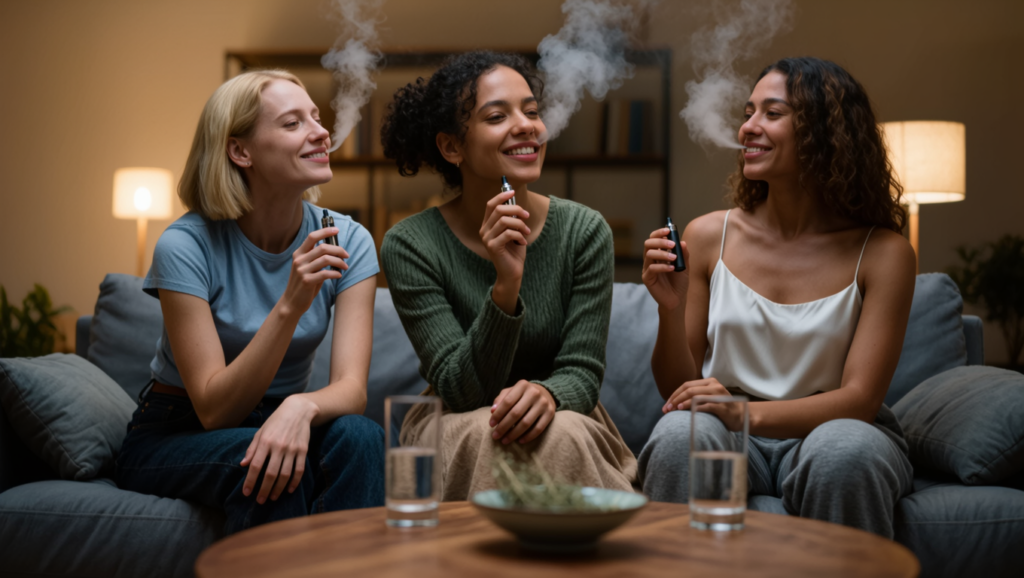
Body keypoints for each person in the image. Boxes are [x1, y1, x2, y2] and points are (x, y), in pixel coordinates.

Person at [637, 57, 916, 538]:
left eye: (772, 113)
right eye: (748, 113)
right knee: (680, 434)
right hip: (727, 431)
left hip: (830, 429)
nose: (748, 128)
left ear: (825, 133)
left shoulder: (884, 253)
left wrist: (744, 413)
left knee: (845, 451)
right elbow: (678, 389)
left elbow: (860, 401)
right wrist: (669, 309)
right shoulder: (707, 236)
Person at [116, 70, 385, 535]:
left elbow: (351, 390)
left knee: (362, 437)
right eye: (293, 123)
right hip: (179, 430)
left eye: (316, 118)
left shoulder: (349, 239)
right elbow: (215, 411)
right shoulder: (185, 245)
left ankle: (348, 567)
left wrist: (298, 407)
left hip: (284, 417)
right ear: (241, 152)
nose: (321, 132)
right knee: (266, 465)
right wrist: (290, 305)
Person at [378, 51, 636, 500]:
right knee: (489, 431)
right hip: (457, 417)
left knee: (560, 432)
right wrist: (506, 285)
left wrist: (547, 394)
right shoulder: (410, 244)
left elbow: (581, 371)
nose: (527, 126)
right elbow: (461, 391)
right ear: (452, 147)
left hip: (563, 409)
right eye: (497, 116)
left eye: (532, 112)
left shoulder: (585, 231)